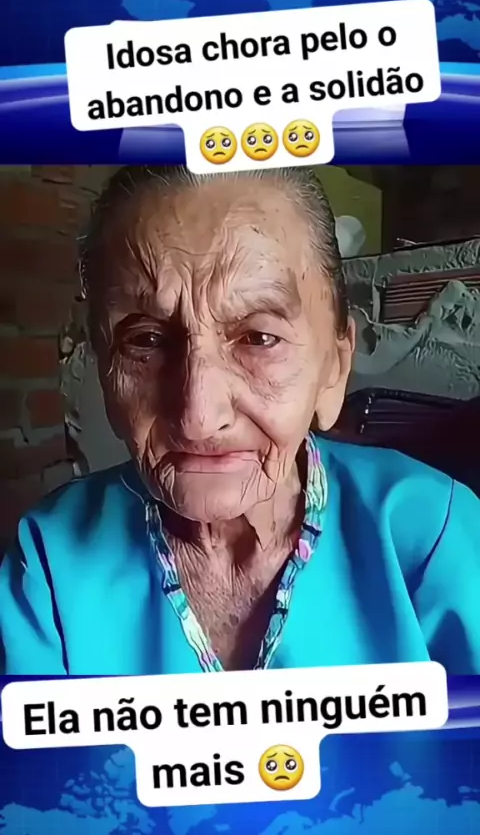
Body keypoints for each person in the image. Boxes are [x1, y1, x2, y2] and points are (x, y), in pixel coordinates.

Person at [1, 165, 480, 677]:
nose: (199, 417)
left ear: (335, 366)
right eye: (146, 340)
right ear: (103, 363)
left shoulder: (435, 531)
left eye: (259, 337)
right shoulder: (52, 559)